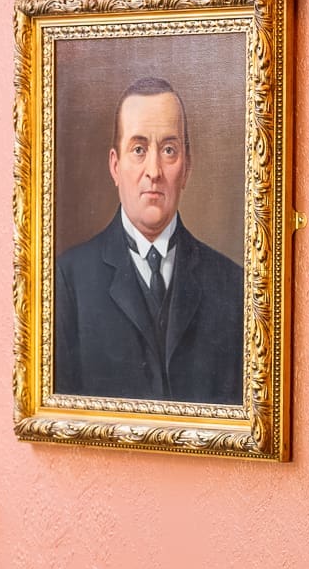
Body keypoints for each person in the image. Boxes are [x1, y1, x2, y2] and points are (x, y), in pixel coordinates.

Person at [53, 77, 243, 404]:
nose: (153, 170)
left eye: (169, 150)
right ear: (115, 166)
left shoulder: (232, 284)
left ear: (187, 167)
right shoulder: (68, 279)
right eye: (138, 149)